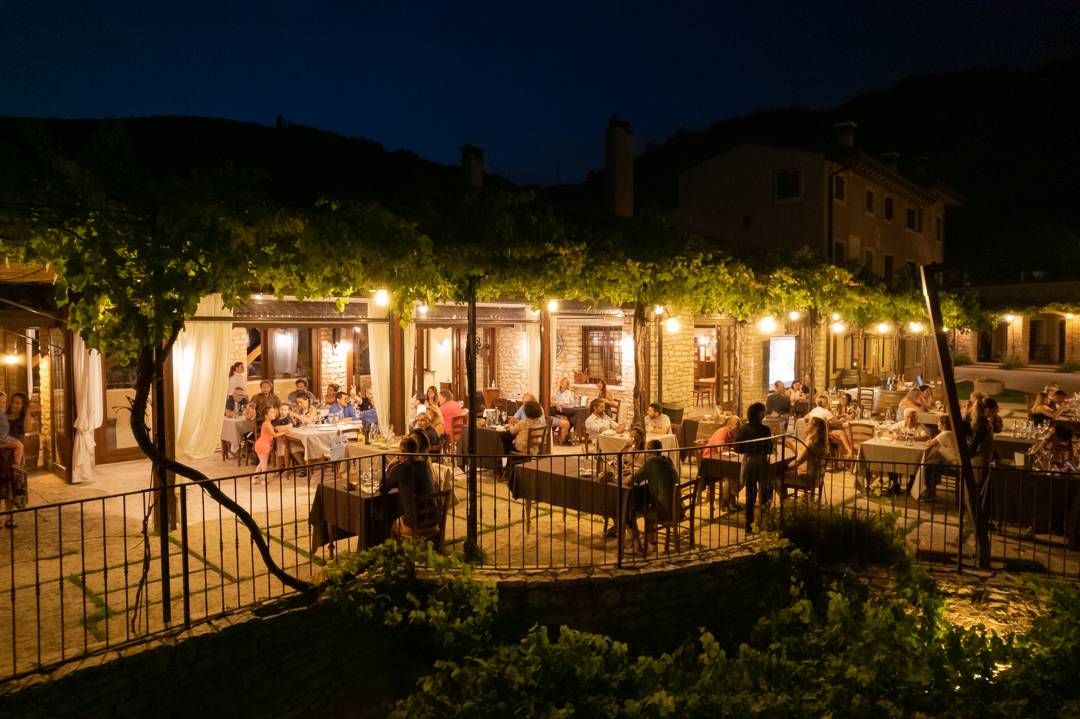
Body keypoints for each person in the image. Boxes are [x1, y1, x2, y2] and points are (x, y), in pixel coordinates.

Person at [380, 436, 437, 539]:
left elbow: (382, 488)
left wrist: (389, 466)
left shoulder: (399, 469)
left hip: (414, 525)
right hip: (434, 520)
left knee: (389, 522)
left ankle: (397, 548)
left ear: (402, 451)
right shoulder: (426, 465)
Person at [630, 439, 681, 553]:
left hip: (664, 511)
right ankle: (651, 541)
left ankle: (638, 544)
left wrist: (631, 474)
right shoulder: (668, 459)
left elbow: (630, 480)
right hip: (678, 508)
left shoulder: (651, 462)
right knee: (650, 505)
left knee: (630, 509)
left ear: (649, 450)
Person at [736, 402, 773, 531]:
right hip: (761, 461)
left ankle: (748, 524)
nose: (765, 414)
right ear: (759, 414)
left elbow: (739, 449)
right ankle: (764, 521)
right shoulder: (765, 430)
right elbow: (769, 449)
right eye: (764, 411)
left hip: (749, 461)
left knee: (749, 493)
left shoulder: (743, 428)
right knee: (765, 491)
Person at [783, 416, 829, 500]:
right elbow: (804, 456)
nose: (806, 424)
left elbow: (798, 462)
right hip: (814, 477)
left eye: (810, 423)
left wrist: (785, 468)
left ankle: (784, 502)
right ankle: (786, 501)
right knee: (781, 476)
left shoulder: (811, 443)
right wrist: (792, 447)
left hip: (805, 477)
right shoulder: (818, 442)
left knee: (777, 479)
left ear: (815, 429)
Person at [917, 416, 959, 501]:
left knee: (926, 466)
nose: (937, 424)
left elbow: (929, 444)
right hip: (956, 462)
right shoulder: (952, 433)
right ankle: (932, 490)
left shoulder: (944, 434)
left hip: (952, 464)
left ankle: (928, 493)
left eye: (939, 422)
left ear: (944, 425)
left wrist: (930, 442)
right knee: (934, 462)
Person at [807, 395, 854, 463]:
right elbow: (837, 422)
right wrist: (843, 419)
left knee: (841, 433)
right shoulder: (825, 412)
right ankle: (843, 460)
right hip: (822, 435)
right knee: (841, 441)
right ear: (826, 403)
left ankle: (849, 452)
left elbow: (806, 417)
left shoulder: (814, 410)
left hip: (814, 433)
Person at [253, 407, 292, 483]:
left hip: (260, 444)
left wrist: (283, 429)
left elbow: (273, 430)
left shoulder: (267, 424)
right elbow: (275, 435)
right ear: (266, 416)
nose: (274, 414)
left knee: (261, 463)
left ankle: (254, 478)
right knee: (264, 465)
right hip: (264, 445)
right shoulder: (267, 425)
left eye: (274, 412)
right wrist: (285, 432)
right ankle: (263, 480)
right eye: (272, 412)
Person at [550, 378, 576, 445]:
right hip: (556, 410)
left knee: (565, 417)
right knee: (564, 418)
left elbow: (572, 402)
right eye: (562, 381)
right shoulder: (556, 392)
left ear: (567, 384)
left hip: (565, 409)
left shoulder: (569, 393)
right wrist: (556, 404)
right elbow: (552, 401)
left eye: (564, 381)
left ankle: (561, 438)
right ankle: (562, 439)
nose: (563, 382)